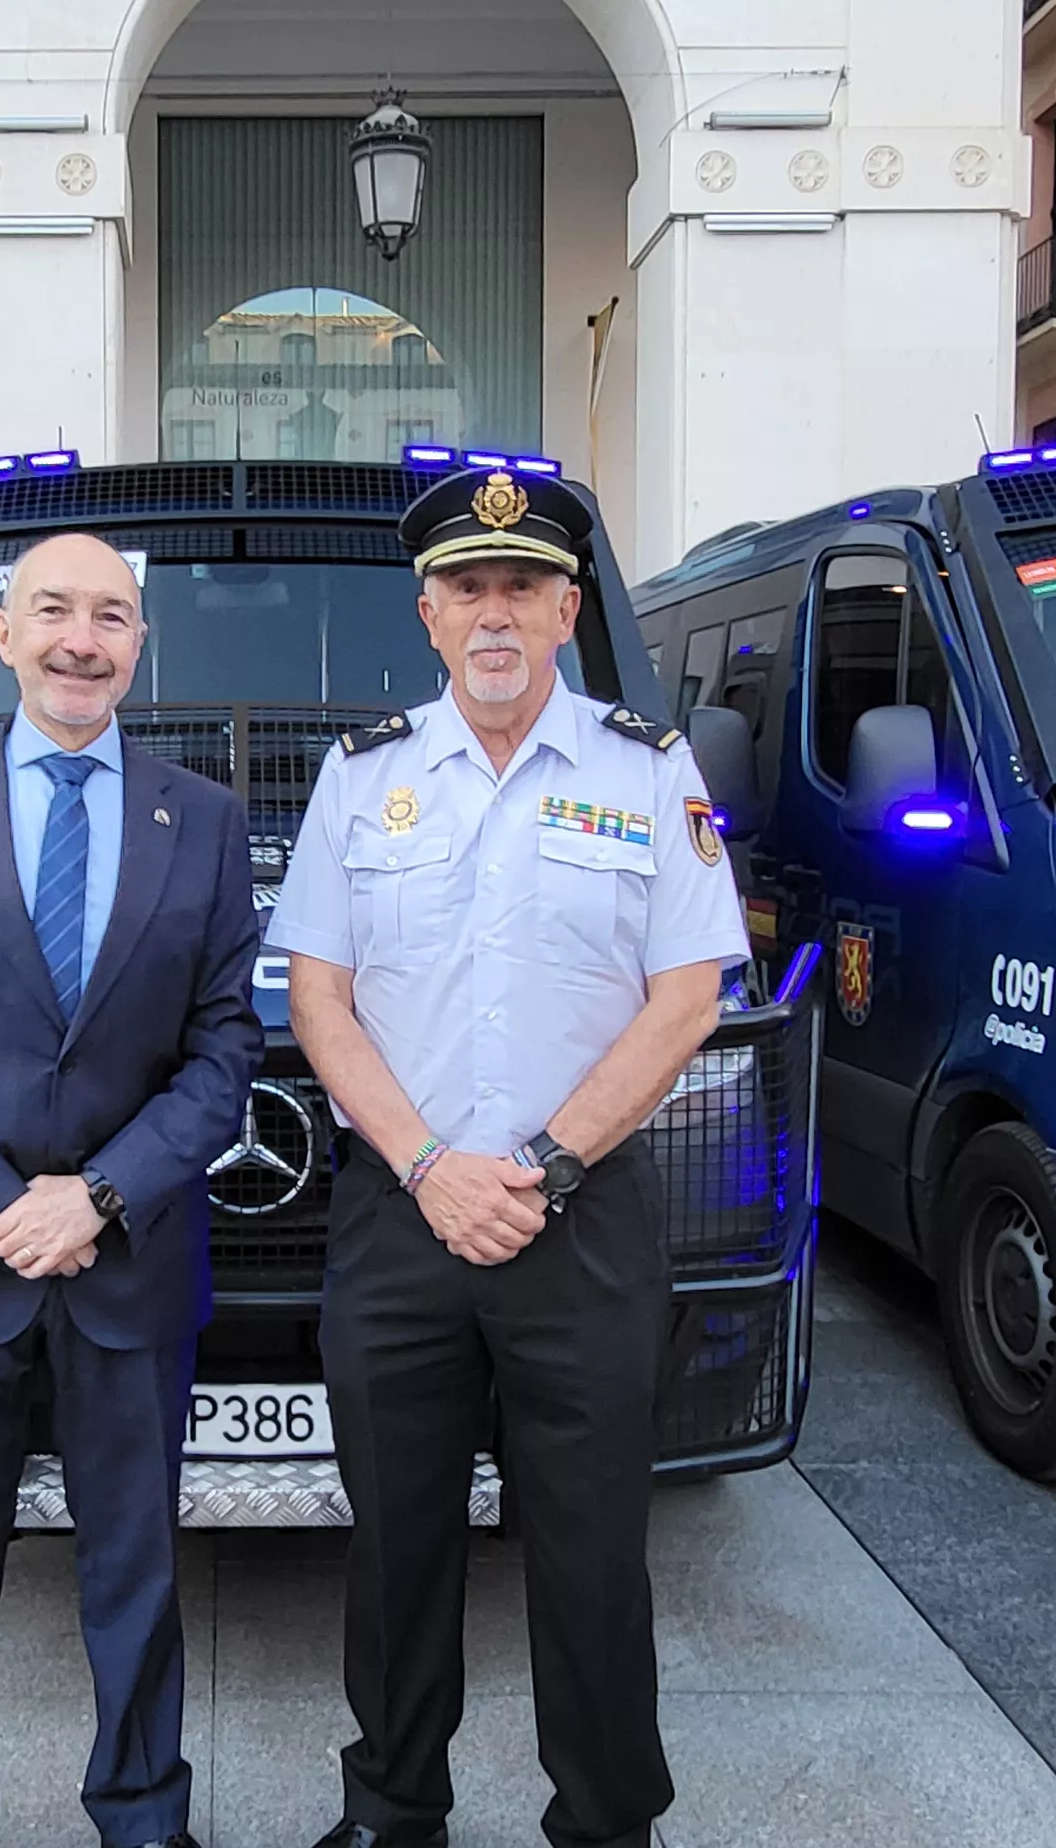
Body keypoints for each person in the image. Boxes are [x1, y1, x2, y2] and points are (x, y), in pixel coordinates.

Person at [268, 468, 742, 1848]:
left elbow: (688, 998)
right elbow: (318, 1001)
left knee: (592, 1550)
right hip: (402, 1216)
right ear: (427, 613)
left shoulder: (648, 769)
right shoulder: (362, 777)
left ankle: (605, 1822)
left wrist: (542, 1162)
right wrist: (431, 1166)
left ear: (566, 611)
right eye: (466, 589)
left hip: (578, 1219)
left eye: (522, 588)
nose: (494, 614)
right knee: (395, 1540)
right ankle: (392, 1810)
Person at [0, 531, 262, 1848]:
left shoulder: (205, 819)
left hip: (129, 1269)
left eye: (113, 617)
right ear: (5, 633)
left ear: (140, 644)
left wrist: (101, 1196)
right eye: (56, 611)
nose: (84, 640)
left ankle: (143, 1816)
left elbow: (224, 1051)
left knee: (136, 1580)